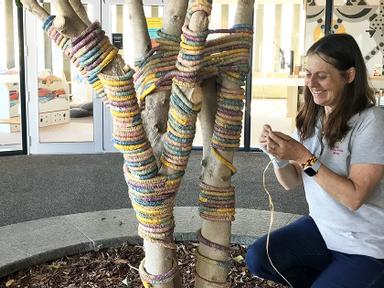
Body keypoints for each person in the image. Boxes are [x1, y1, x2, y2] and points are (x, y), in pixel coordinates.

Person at [246, 33, 384, 288]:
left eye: (322, 75)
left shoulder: (371, 121)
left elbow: (354, 198)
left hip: (365, 245)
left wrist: (302, 156)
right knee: (259, 258)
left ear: (349, 76)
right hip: (322, 230)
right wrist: (278, 157)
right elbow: (291, 182)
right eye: (308, 73)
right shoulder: (313, 119)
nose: (311, 83)